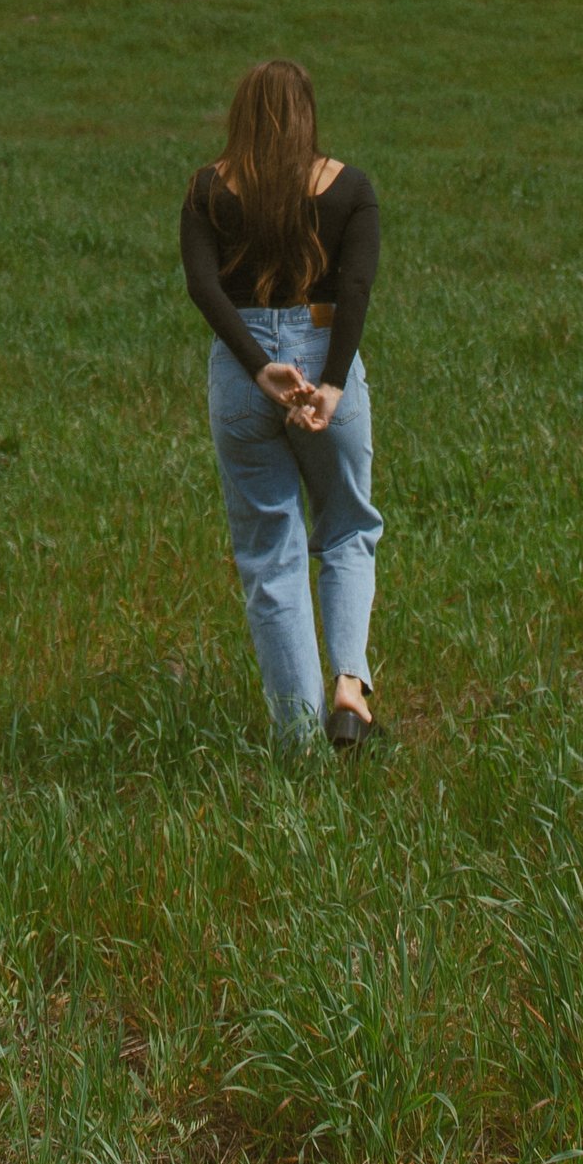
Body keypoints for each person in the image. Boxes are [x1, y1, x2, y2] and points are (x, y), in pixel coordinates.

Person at [181, 57, 382, 748]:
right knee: (347, 529)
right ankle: (349, 687)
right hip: (326, 353)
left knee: (271, 551)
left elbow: (204, 287)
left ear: (241, 115)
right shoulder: (351, 188)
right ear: (307, 114)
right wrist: (330, 384)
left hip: (244, 379)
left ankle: (298, 741)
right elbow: (354, 290)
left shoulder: (208, 190)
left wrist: (260, 367)